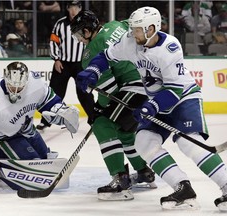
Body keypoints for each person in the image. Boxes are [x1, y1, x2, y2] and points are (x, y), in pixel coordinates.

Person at [75, 6, 227, 211]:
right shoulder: (131, 41)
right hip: (156, 100)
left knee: (189, 143)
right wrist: (93, 69)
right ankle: (182, 187)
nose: (132, 32)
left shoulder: (170, 48)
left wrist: (151, 106)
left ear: (151, 29)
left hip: (183, 98)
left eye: (137, 29)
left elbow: (173, 90)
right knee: (144, 142)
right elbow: (106, 56)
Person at [70, 10, 156, 201]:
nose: (79, 39)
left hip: (134, 88)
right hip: (151, 82)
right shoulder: (116, 25)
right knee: (124, 132)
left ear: (86, 30)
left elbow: (109, 90)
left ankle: (120, 181)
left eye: (78, 34)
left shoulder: (91, 51)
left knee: (102, 124)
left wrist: (98, 111)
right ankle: (143, 172)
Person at [0, 61, 79, 189]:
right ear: (6, 78)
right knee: (33, 164)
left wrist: (62, 112)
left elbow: (48, 101)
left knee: (45, 159)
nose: (16, 91)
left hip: (26, 130)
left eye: (20, 87)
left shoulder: (35, 83)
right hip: (1, 138)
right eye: (12, 87)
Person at [36, 0, 95, 130]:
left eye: (77, 7)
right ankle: (45, 121)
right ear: (67, 8)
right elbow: (53, 42)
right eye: (71, 7)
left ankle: (94, 120)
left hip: (81, 64)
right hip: (62, 64)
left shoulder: (86, 23)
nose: (74, 10)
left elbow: (92, 41)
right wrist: (56, 59)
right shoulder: (60, 24)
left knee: (84, 93)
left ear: (80, 8)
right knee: (54, 92)